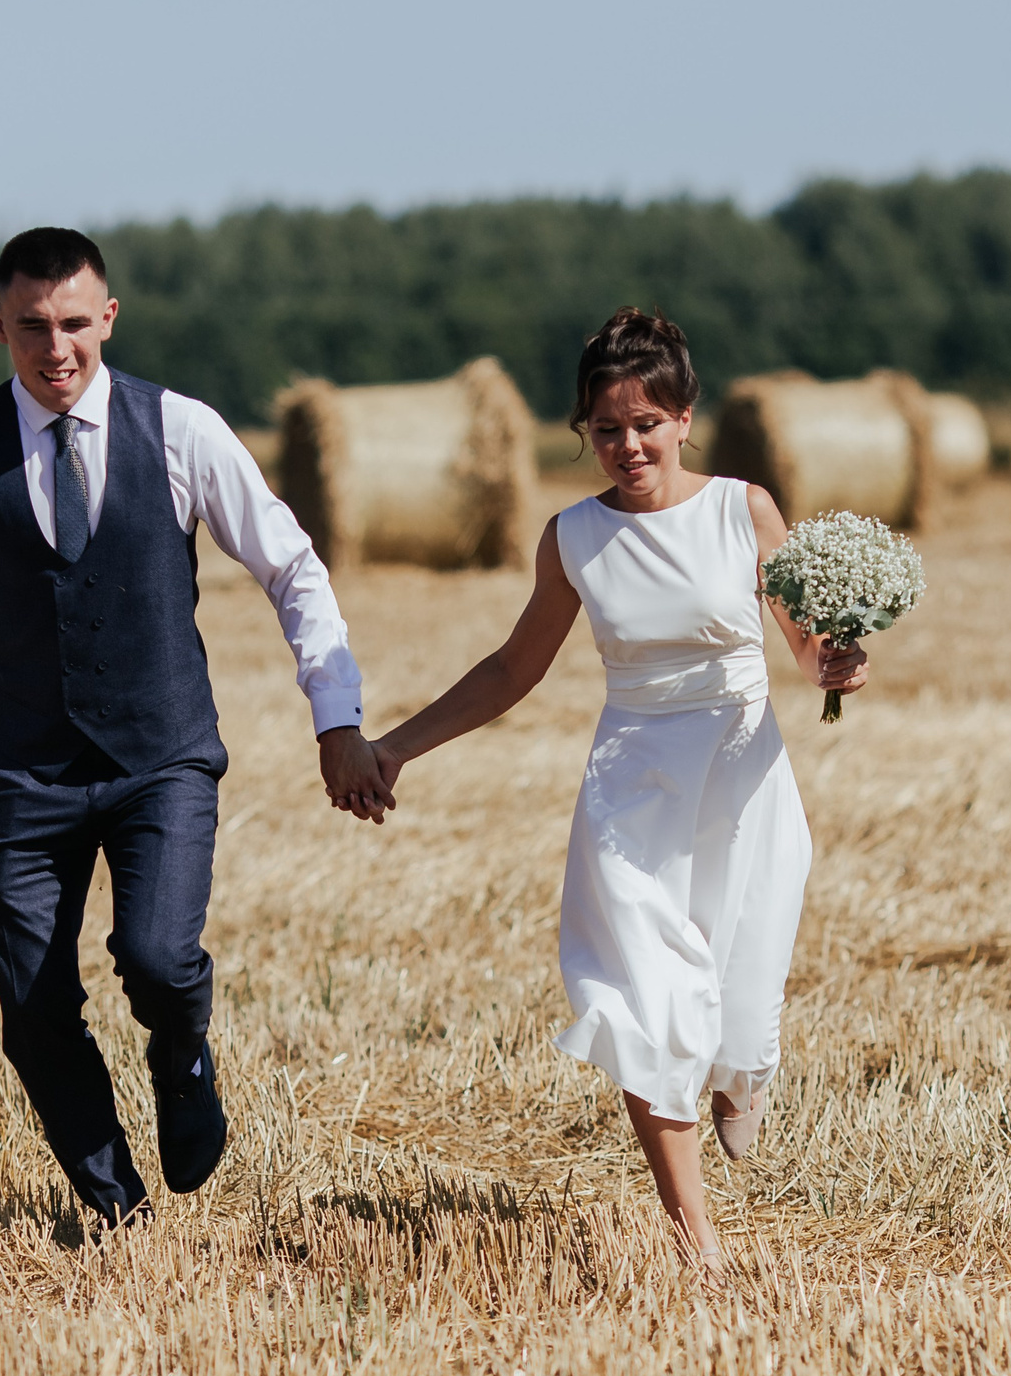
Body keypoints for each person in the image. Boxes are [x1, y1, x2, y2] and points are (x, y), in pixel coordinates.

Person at [0, 226, 392, 1228]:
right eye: (31, 327)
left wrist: (337, 718)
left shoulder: (181, 430)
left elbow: (291, 567)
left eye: (74, 323)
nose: (54, 348)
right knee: (32, 1011)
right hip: (25, 771)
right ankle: (117, 1210)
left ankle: (182, 1052)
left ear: (108, 318)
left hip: (163, 759)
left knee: (154, 958)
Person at [370, 309, 868, 1263]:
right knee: (642, 1003)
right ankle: (697, 1244)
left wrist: (836, 663)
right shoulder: (575, 537)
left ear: (684, 418)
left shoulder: (743, 509)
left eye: (646, 422)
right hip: (631, 790)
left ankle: (741, 1070)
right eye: (606, 428)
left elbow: (805, 645)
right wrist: (397, 746)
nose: (627, 444)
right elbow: (512, 669)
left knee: (736, 990)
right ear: (583, 433)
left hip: (741, 778)